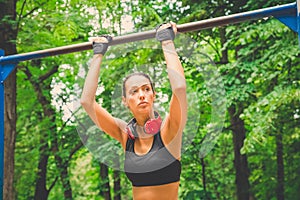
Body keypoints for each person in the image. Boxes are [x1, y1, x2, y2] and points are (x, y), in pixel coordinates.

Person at [80, 22, 187, 200]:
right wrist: (98, 53)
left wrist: (166, 42)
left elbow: (180, 89)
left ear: (153, 95)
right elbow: (86, 101)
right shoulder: (125, 135)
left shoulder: (169, 130)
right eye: (134, 91)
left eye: (146, 89)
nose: (142, 95)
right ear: (125, 102)